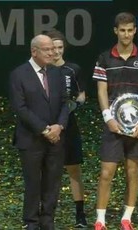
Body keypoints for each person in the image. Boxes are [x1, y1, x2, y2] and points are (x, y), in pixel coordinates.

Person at [92, 12, 138, 230]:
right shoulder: (104, 58)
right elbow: (101, 92)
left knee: (133, 172)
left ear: (135, 31)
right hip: (113, 126)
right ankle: (100, 221)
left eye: (130, 30)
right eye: (122, 30)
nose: (126, 34)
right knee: (106, 173)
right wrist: (108, 118)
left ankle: (126, 219)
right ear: (115, 31)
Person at [9, 34, 69, 229]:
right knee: (33, 184)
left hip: (56, 138)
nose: (52, 53)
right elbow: (20, 108)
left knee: (52, 184)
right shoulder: (18, 74)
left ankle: (47, 221)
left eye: (53, 49)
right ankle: (32, 223)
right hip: (31, 139)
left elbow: (64, 103)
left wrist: (59, 126)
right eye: (47, 49)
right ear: (34, 51)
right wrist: (45, 130)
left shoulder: (56, 73)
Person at [45, 29, 87, 228]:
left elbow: (82, 95)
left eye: (60, 47)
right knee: (47, 172)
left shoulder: (73, 69)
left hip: (69, 127)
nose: (56, 52)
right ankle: (46, 214)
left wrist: (72, 106)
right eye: (53, 48)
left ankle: (80, 215)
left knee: (74, 170)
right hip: (47, 128)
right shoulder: (42, 70)